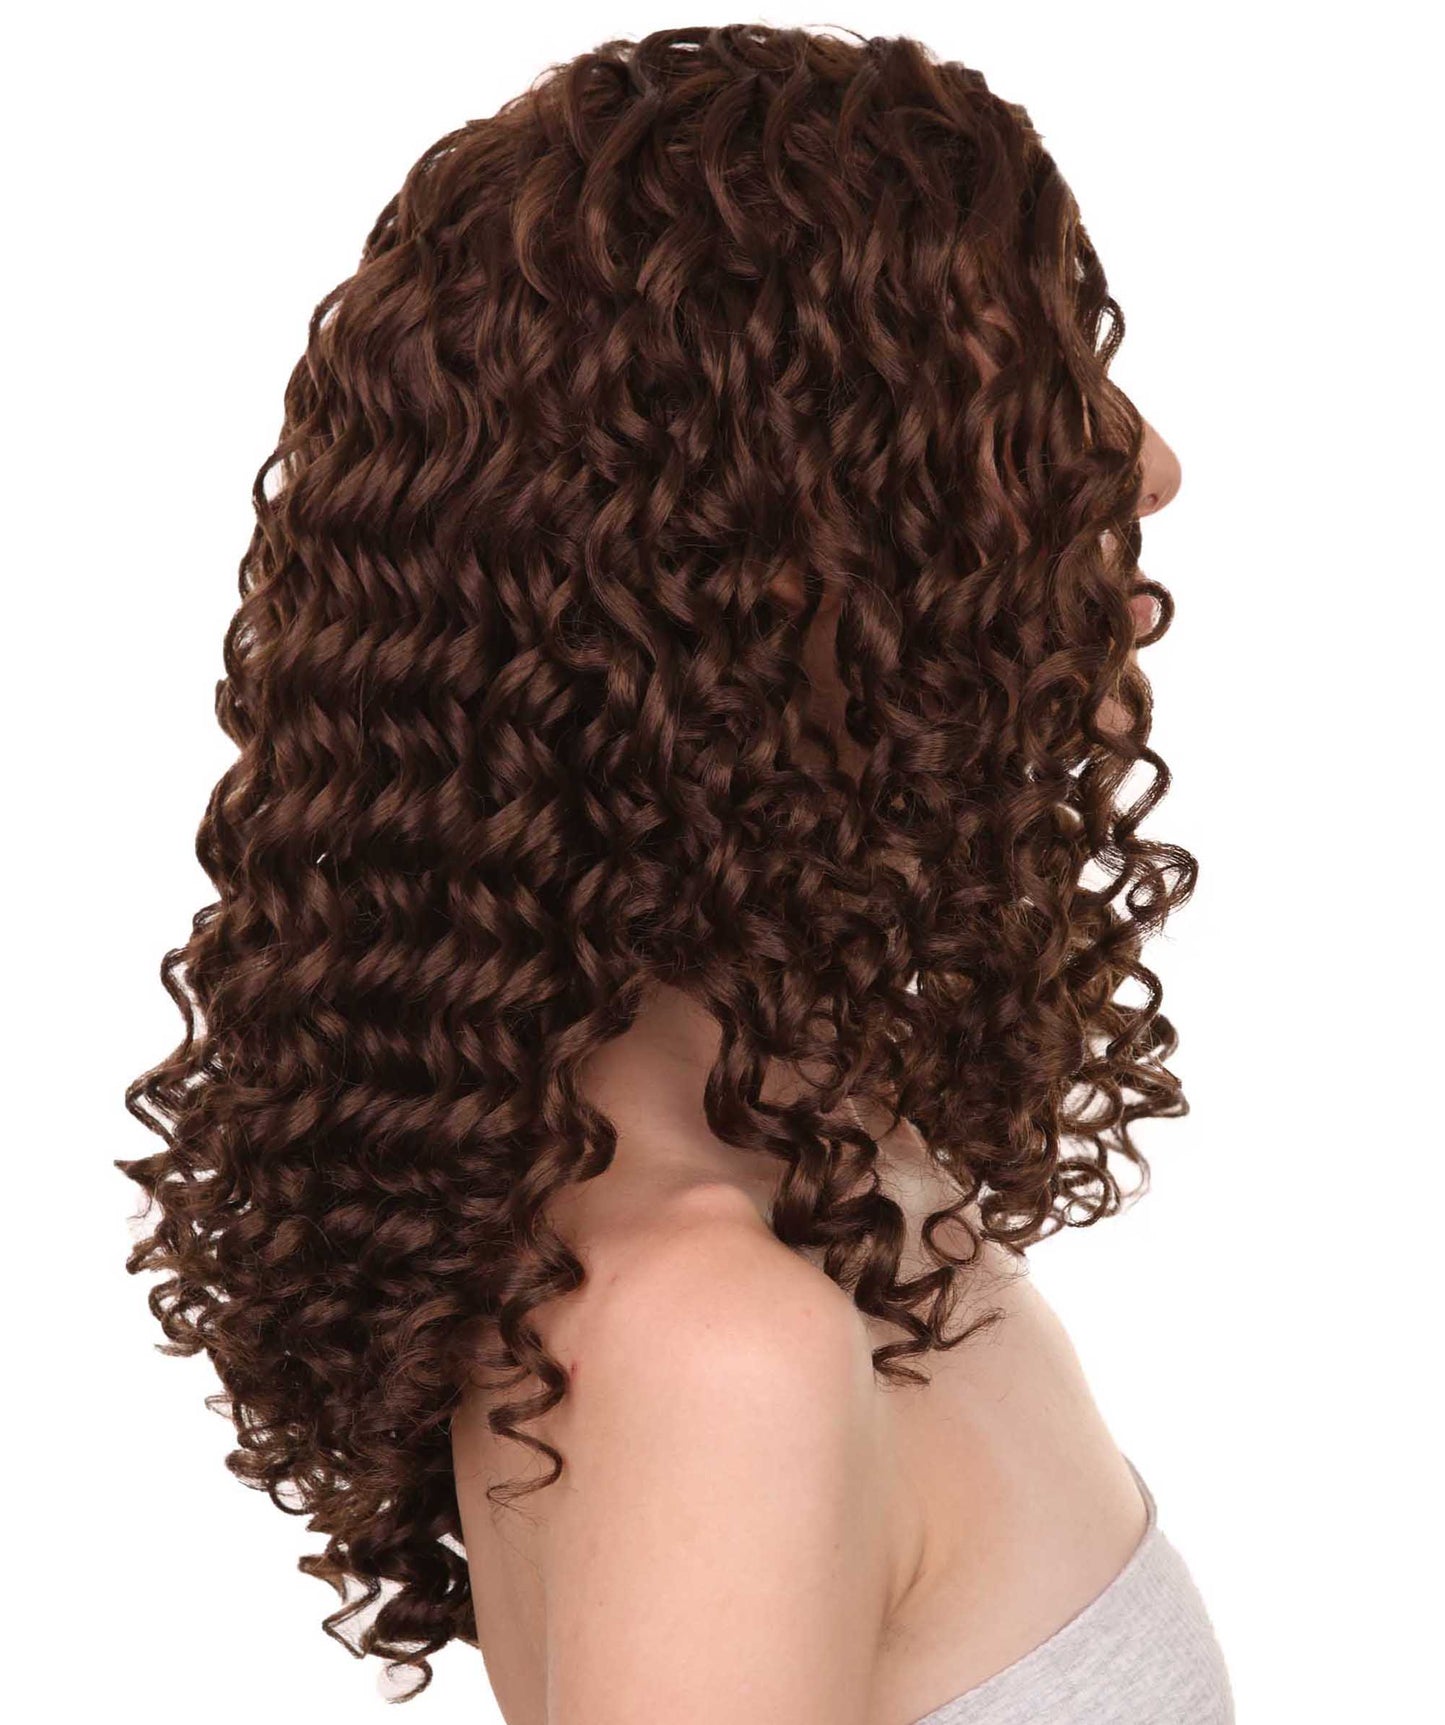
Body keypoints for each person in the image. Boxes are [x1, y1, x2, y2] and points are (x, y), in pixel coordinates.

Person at [118, 21, 1232, 1723]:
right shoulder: (717, 1346)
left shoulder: (815, 1153)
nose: (1142, 462)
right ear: (763, 556)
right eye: (1020, 389)